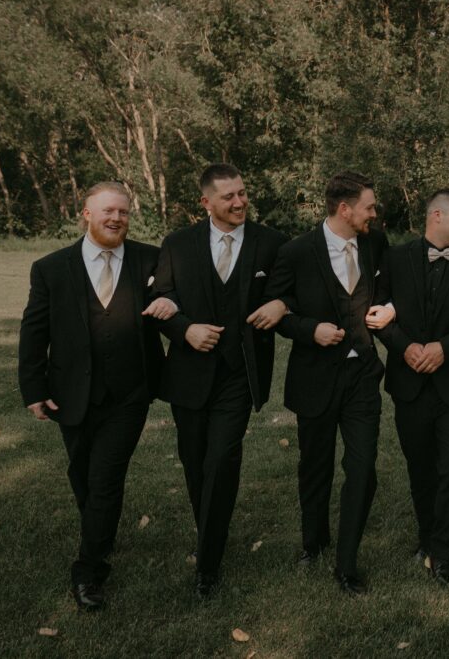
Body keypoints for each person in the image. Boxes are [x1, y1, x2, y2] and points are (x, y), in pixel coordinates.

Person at [18, 182, 173, 610]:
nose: (116, 218)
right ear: (86, 213)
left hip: (130, 393)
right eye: (108, 210)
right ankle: (100, 532)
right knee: (82, 473)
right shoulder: (50, 268)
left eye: (123, 212)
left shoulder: (150, 258)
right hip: (71, 392)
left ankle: (88, 571)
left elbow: (172, 297)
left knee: (105, 477)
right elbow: (34, 331)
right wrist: (34, 388)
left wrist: (173, 306)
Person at [152, 163, 289, 597]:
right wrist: (185, 329)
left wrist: (282, 304)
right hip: (188, 374)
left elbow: (294, 288)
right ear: (206, 202)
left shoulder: (272, 242)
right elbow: (160, 299)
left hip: (239, 373)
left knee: (222, 459)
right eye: (229, 196)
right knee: (195, 461)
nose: (239, 202)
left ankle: (207, 563)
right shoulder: (177, 244)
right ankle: (210, 530)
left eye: (242, 193)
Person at [264, 172, 393, 595]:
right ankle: (314, 542)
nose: (374, 214)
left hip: (362, 376)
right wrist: (310, 330)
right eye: (369, 207)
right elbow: (277, 312)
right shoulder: (296, 252)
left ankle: (346, 562)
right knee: (315, 467)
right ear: (344, 209)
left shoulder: (375, 244)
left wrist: (388, 309)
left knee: (363, 467)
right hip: (315, 377)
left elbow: (388, 290)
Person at [376, 188, 449, 585]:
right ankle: (427, 537)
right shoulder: (393, 259)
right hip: (408, 385)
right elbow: (377, 315)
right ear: (437, 216)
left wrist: (445, 349)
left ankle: (444, 552)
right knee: (421, 467)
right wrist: (405, 347)